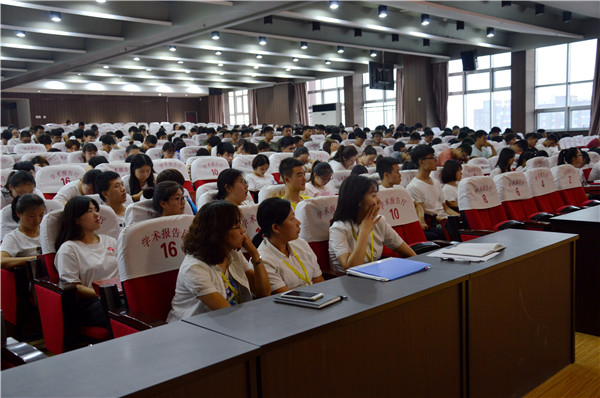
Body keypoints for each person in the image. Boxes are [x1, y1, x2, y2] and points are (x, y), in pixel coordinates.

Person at [167, 201, 270, 321]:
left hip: (232, 322)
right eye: (237, 227)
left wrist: (254, 253)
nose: (243, 231)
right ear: (218, 233)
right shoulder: (194, 268)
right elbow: (225, 311)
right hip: (196, 330)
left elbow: (264, 292)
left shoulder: (232, 253)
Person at [329, 175, 416, 275]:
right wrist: (364, 231)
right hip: (348, 282)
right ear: (358, 201)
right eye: (374, 196)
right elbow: (351, 268)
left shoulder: (379, 221)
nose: (379, 201)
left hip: (375, 276)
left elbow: (408, 253)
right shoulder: (339, 228)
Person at [54, 196, 119, 327]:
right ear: (76, 219)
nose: (96, 215)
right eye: (90, 211)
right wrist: (107, 294)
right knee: (120, 311)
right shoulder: (69, 248)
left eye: (96, 210)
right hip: (92, 303)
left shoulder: (110, 241)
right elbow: (72, 287)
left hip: (119, 295)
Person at [253, 198, 324, 293]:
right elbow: (286, 296)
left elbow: (319, 282)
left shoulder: (301, 244)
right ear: (276, 228)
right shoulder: (264, 260)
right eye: (292, 218)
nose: (298, 223)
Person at [406, 145, 460, 240]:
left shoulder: (436, 182)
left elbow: (445, 208)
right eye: (432, 158)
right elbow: (422, 213)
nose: (436, 160)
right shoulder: (413, 186)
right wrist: (444, 219)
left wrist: (460, 216)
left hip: (446, 220)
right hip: (435, 223)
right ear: (421, 162)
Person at [1, 194, 45, 269]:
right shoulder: (13, 237)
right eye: (32, 216)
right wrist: (36, 258)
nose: (37, 220)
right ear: (18, 213)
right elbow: (2, 261)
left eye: (41, 215)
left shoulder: (47, 232)